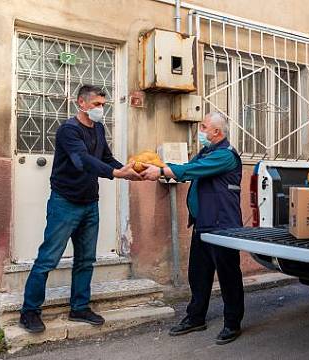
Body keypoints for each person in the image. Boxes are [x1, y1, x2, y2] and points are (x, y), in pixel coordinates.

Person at [19, 85, 142, 333]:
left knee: (86, 260)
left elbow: (105, 158)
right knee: (48, 259)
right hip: (65, 203)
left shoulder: (98, 127)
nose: (100, 109)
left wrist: (126, 172)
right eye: (96, 104)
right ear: (81, 104)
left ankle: (80, 307)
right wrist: (114, 172)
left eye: (103, 105)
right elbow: (81, 160)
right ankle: (29, 311)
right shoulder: (69, 130)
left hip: (89, 204)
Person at [141, 111, 244, 345]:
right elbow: (189, 167)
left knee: (228, 276)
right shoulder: (207, 151)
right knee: (198, 274)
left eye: (204, 127)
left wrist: (162, 171)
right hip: (203, 224)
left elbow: (192, 170)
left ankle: (232, 323)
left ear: (217, 132)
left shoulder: (225, 155)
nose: (201, 131)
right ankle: (196, 317)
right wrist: (159, 167)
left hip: (223, 226)